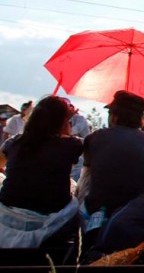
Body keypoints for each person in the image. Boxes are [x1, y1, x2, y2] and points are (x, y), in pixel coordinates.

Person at [0, 95, 84, 248]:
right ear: (62, 121)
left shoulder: (13, 142)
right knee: (77, 204)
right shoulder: (72, 145)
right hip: (52, 217)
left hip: (7, 213)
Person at [79, 90, 144, 217]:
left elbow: (86, 174)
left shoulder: (94, 138)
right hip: (137, 211)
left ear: (114, 116)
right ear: (140, 119)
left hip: (98, 210)